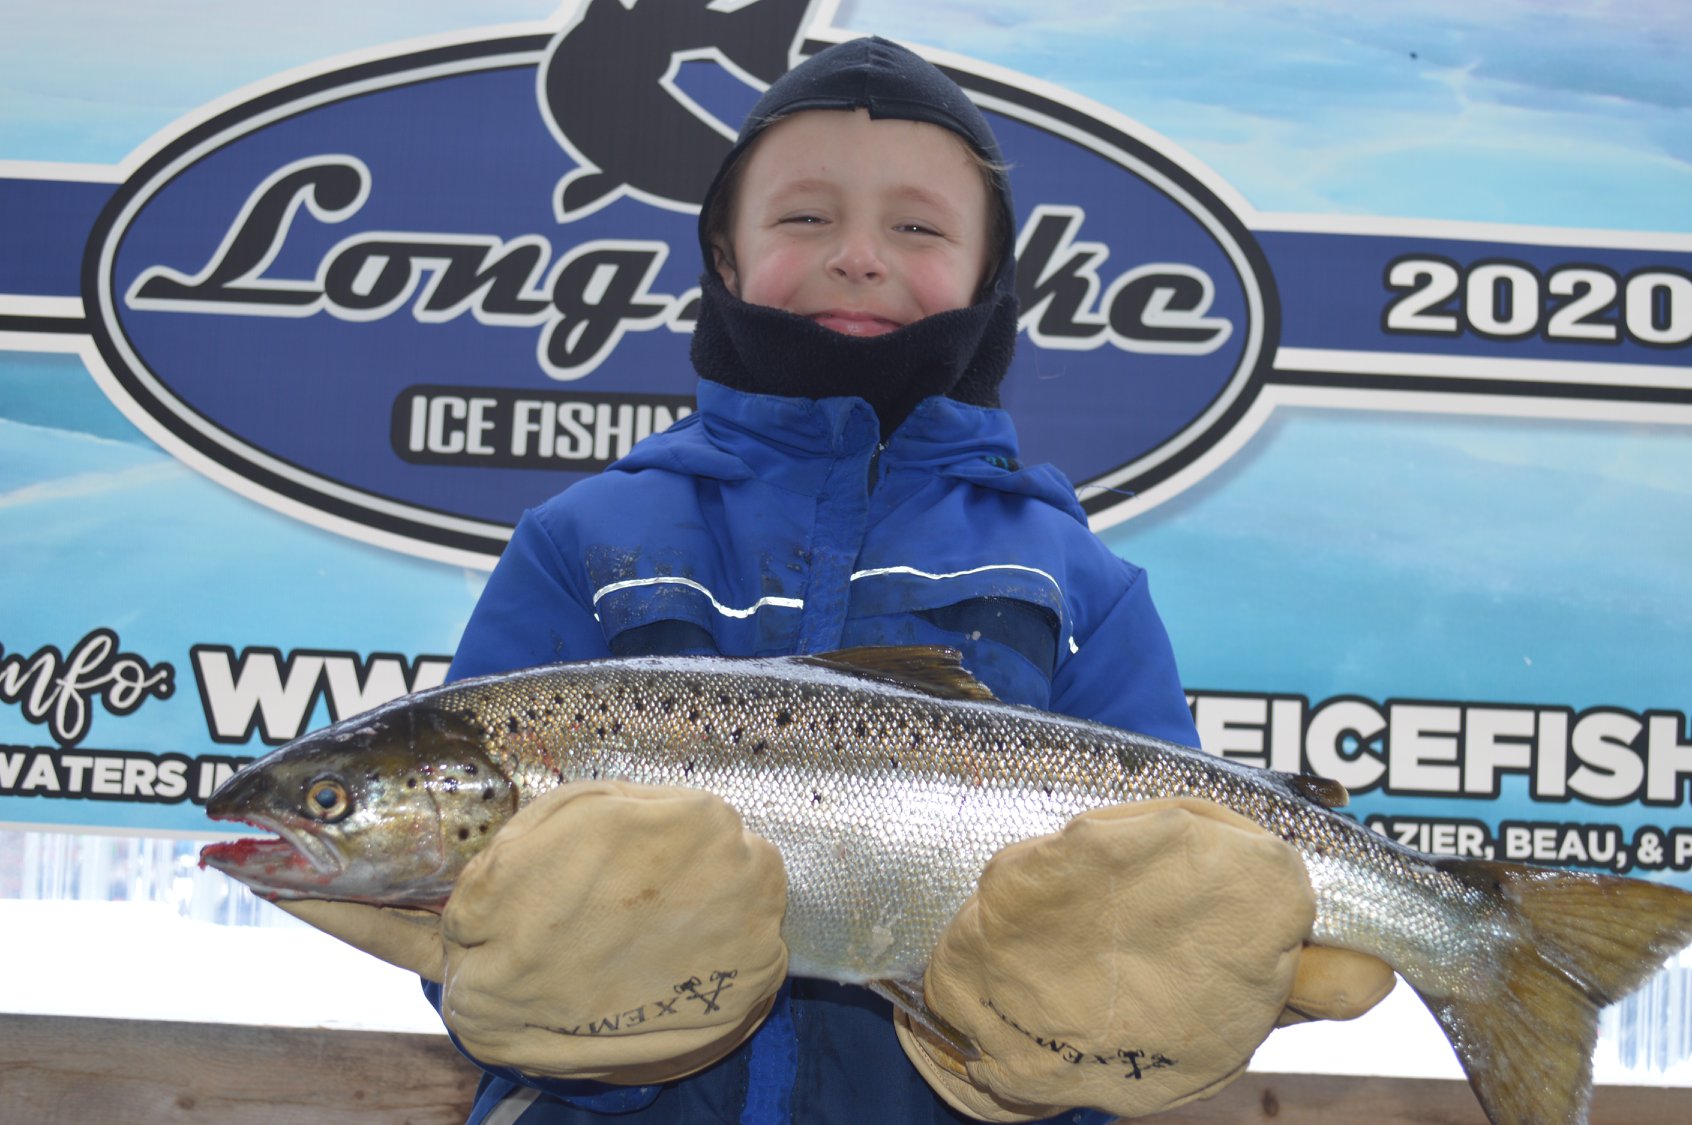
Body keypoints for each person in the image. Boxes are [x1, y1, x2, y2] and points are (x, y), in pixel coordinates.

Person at [282, 36, 1393, 1125]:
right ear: (722, 253)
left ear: (987, 275)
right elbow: (477, 963)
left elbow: (1165, 932)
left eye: (916, 226)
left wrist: (1066, 1057)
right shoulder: (579, 541)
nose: (859, 255)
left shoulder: (1085, 584)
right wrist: (557, 1025)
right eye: (805, 216)